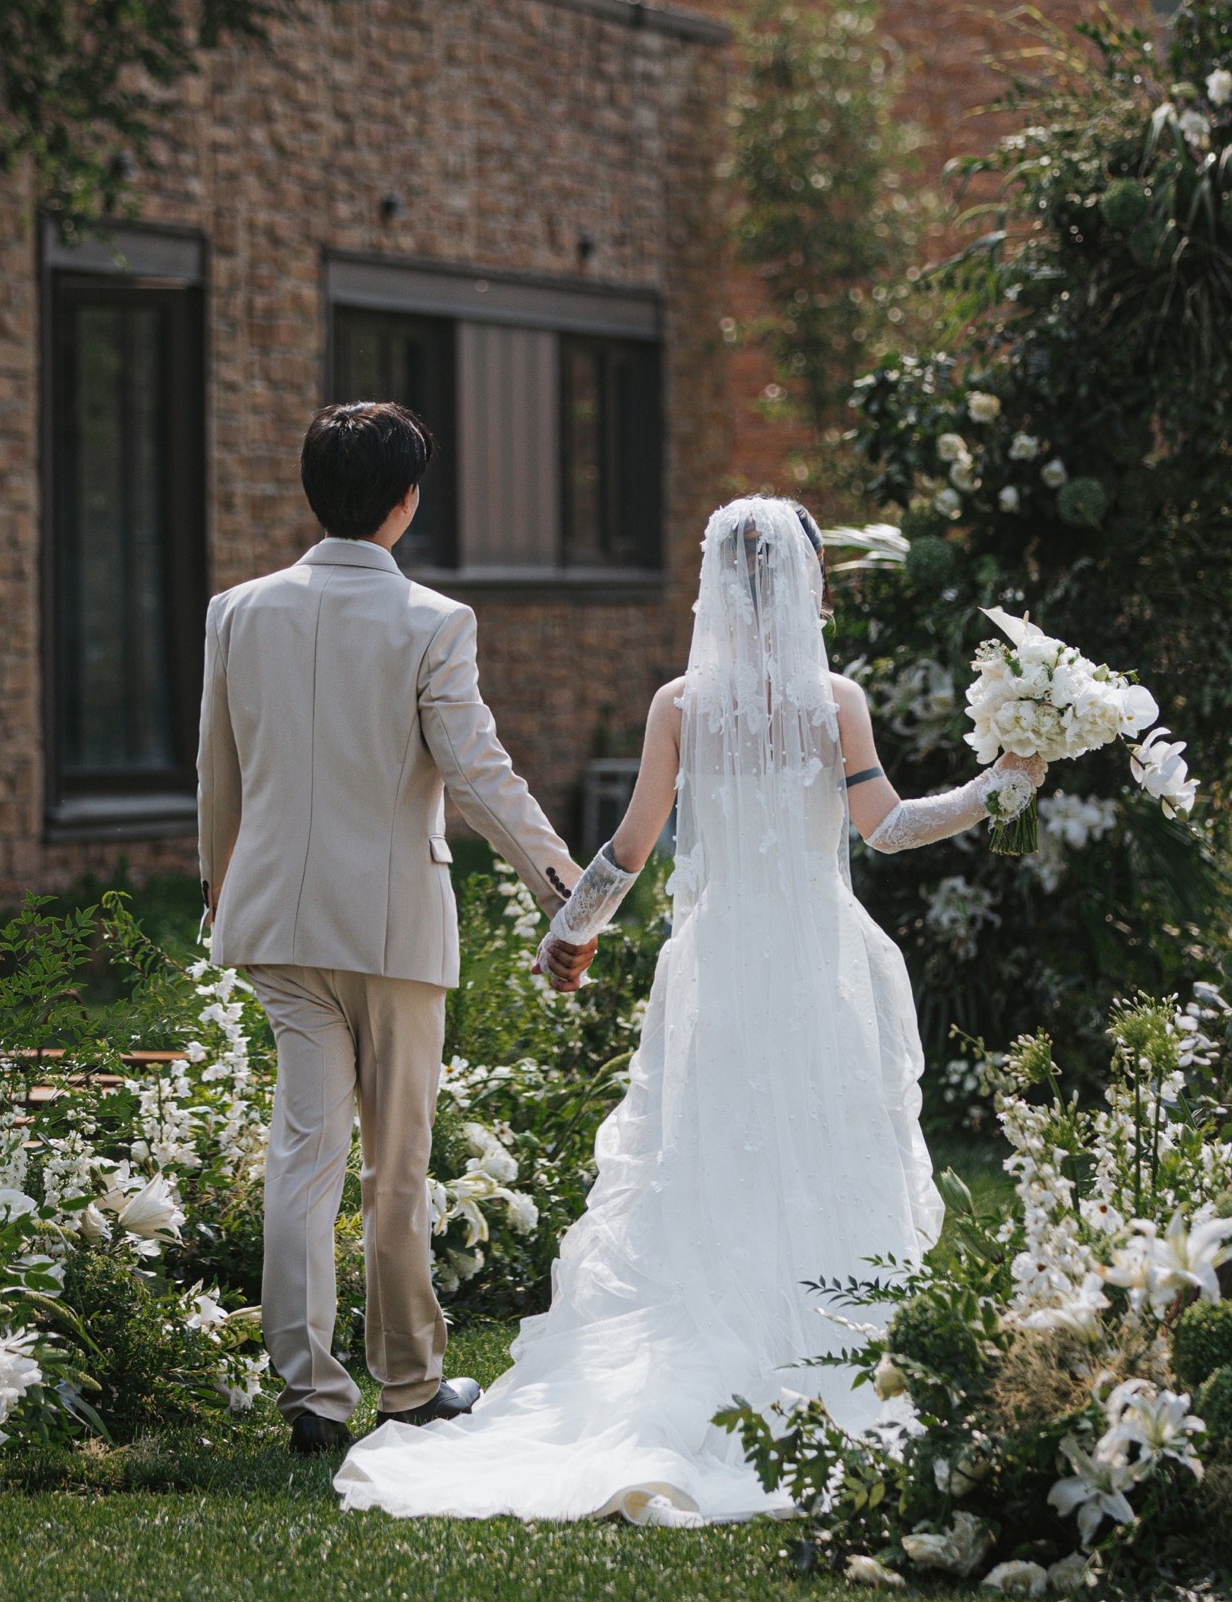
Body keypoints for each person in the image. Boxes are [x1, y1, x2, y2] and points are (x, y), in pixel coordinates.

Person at [334, 495, 1044, 1524]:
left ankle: (712, 1348)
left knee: (708, 1153)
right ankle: (829, 1358)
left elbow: (630, 846)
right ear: (803, 583)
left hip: (715, 966)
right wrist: (999, 784)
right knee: (818, 1145)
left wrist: (567, 929)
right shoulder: (830, 698)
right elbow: (885, 826)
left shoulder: (680, 703)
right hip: (813, 960)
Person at [198, 402, 592, 1458]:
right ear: (406, 498)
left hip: (275, 920)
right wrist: (564, 884)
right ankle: (409, 1383)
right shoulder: (432, 620)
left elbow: (217, 774)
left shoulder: (235, 611)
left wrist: (216, 888)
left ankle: (310, 1398)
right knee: (396, 1162)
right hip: (392, 928)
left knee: (301, 1156)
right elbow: (477, 773)